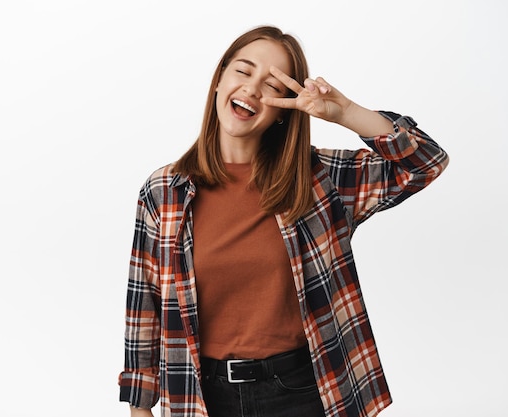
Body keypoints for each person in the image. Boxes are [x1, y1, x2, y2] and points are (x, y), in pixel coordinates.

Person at [118, 25, 449, 417]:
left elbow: (425, 162)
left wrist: (347, 114)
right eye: (243, 71)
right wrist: (140, 408)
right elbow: (144, 304)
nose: (254, 89)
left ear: (283, 110)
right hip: (200, 396)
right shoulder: (162, 191)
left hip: (302, 392)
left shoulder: (319, 180)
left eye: (273, 85)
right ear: (219, 81)